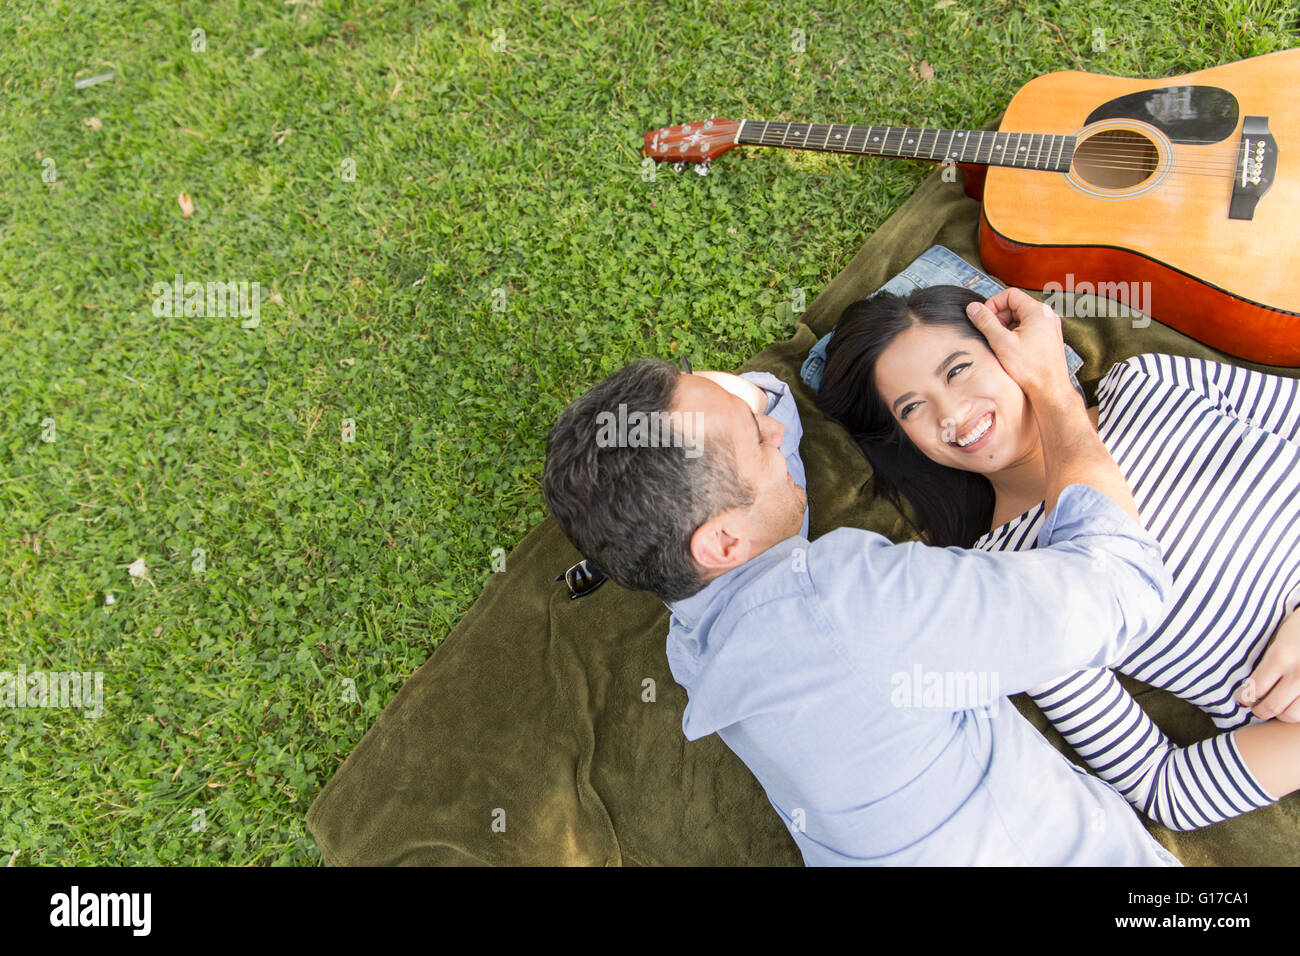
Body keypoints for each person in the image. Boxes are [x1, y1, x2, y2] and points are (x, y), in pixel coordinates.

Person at [542, 289, 1181, 865]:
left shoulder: (700, 638)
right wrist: (1051, 387)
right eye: (755, 440)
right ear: (722, 541)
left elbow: (773, 408)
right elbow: (1125, 589)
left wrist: (723, 409)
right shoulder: (851, 596)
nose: (773, 429)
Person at [814, 284, 1300, 831]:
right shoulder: (1004, 583)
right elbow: (1163, 787)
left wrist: (1052, 388)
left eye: (957, 370)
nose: (951, 412)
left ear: (1010, 349)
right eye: (911, 407)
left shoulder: (1148, 384)